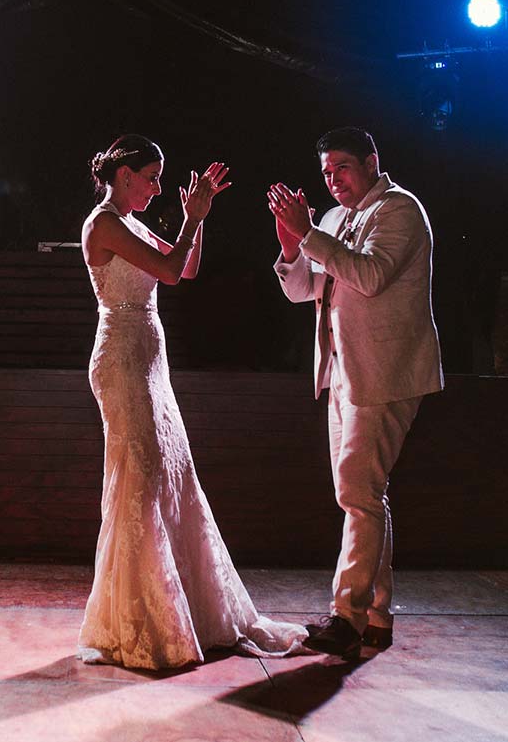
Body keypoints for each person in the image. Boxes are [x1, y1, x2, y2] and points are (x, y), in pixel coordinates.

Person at [77, 134, 308, 669]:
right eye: (152, 177)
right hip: (122, 359)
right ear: (125, 175)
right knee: (140, 479)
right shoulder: (103, 223)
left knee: (168, 478)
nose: (158, 187)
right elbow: (166, 269)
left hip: (149, 361)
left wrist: (195, 218)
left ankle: (183, 611)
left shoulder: (131, 223)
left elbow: (185, 269)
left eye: (161, 179)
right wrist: (189, 220)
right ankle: (138, 620)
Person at [267, 126, 443, 658]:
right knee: (364, 495)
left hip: (385, 371)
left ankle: (346, 616)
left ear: (371, 162)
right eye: (326, 172)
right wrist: (293, 247)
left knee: (355, 493)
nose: (333, 179)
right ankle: (375, 617)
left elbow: (370, 277)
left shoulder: (400, 210)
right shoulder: (333, 218)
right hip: (342, 371)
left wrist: (311, 236)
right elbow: (306, 290)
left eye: (342, 167)